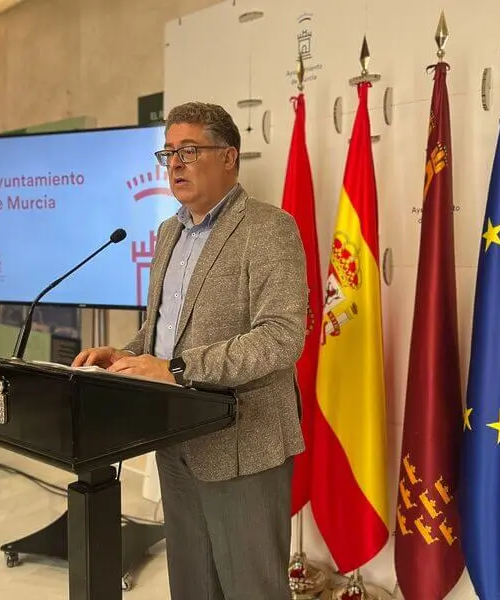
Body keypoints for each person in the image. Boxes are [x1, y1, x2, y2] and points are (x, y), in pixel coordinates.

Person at [72, 102, 308, 599]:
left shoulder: (269, 228)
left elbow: (281, 337)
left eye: (189, 150)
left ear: (229, 157)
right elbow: (163, 331)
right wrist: (123, 355)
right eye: (168, 153)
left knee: (252, 589)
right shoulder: (169, 232)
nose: (175, 163)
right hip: (175, 437)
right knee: (192, 585)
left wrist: (175, 369)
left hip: (242, 444)